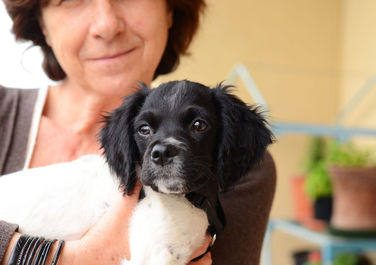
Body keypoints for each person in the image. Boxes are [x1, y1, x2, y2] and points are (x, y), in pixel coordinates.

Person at [0, 0, 277, 264]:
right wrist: (62, 259)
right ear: (41, 22)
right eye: (73, 0)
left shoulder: (239, 165)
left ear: (170, 8)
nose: (107, 26)